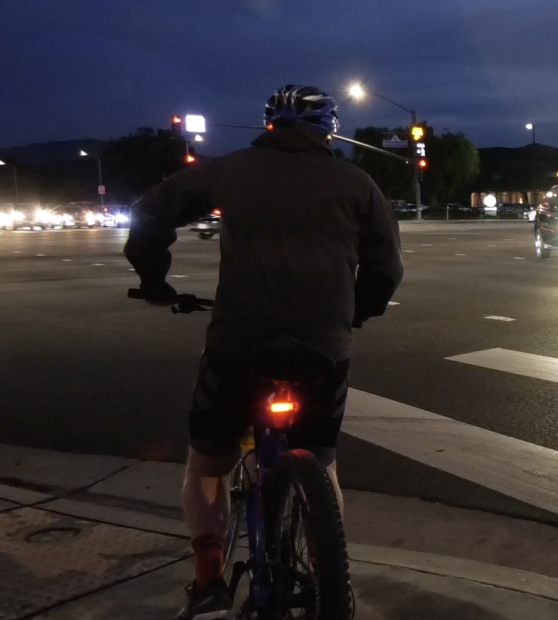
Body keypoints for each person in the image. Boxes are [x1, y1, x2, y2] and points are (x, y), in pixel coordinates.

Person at [124, 85, 403, 619]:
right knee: (322, 466)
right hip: (324, 346)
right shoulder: (358, 183)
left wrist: (154, 279)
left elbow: (150, 215)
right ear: (329, 129)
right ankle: (331, 579)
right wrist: (356, 312)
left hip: (239, 342)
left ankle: (208, 583)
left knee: (209, 461)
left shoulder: (230, 171)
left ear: (271, 125)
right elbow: (387, 269)